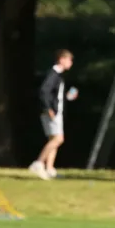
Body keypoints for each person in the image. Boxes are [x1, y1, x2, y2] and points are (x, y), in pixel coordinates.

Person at [29, 49, 78, 180]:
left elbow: (55, 95)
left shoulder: (59, 75)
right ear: (61, 59)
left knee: (53, 140)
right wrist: (48, 108)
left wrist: (67, 97)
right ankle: (38, 163)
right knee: (58, 139)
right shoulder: (53, 74)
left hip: (56, 112)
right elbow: (44, 91)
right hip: (51, 113)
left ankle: (50, 169)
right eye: (69, 60)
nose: (71, 63)